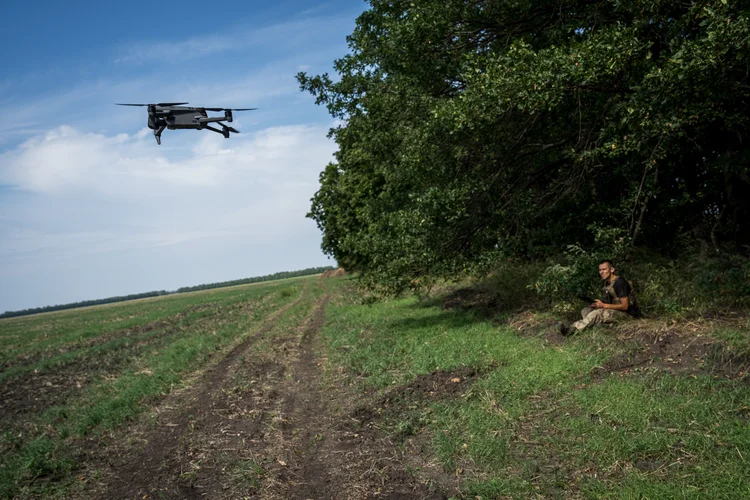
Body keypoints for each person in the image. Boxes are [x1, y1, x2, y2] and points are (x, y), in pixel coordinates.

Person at [560, 260, 640, 335]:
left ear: (612, 269)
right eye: (600, 270)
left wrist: (603, 306)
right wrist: (597, 303)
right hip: (615, 311)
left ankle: (572, 329)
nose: (601, 272)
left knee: (597, 313)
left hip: (628, 315)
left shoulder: (620, 282)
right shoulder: (607, 283)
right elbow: (608, 301)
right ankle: (602, 325)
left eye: (604, 269)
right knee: (586, 310)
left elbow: (625, 306)